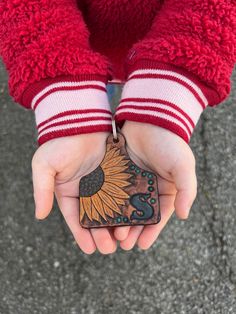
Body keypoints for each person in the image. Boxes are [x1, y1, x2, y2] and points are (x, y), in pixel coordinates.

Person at [0, 0, 235, 255]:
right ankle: (99, 92)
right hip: (75, 49)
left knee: (111, 87)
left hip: (163, 52)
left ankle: (110, 93)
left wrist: (166, 93)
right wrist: (67, 98)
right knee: (104, 86)